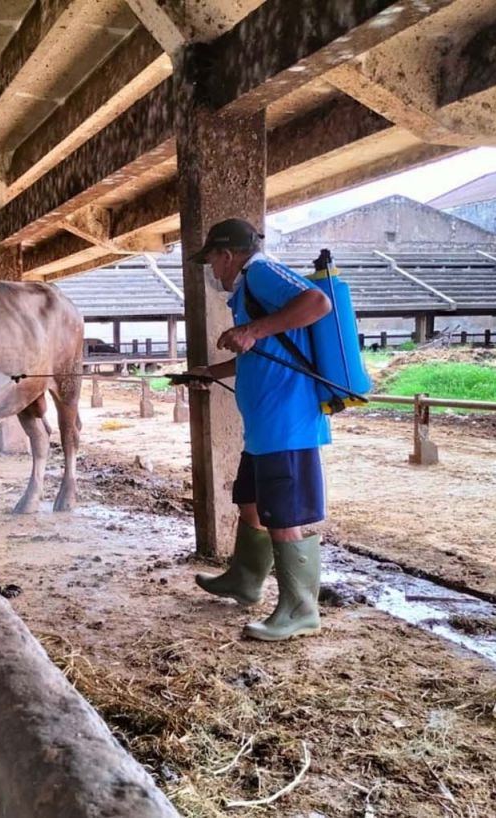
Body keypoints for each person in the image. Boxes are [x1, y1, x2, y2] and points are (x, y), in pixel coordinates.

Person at [187, 218, 333, 641]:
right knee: (250, 500)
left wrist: (253, 329)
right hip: (265, 426)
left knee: (283, 514)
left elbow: (318, 303)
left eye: (212, 260)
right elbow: (261, 354)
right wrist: (209, 371)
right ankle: (245, 579)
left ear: (227, 255)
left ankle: (300, 610)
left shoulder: (261, 273)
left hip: (286, 424)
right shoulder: (248, 293)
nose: (212, 271)